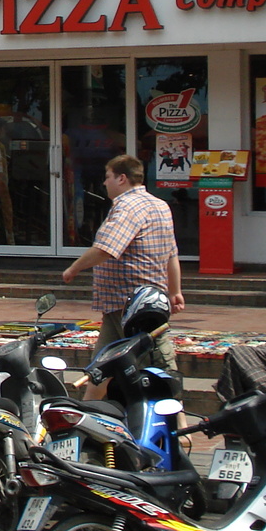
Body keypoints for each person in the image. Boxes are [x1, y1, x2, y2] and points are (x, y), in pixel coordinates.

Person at [61, 154, 183, 394]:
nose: (104, 183)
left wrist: (74, 268)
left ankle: (180, 427)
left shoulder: (128, 207)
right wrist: (175, 291)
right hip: (130, 303)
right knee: (101, 367)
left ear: (122, 178)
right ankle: (89, 416)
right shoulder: (159, 205)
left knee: (159, 369)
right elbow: (172, 255)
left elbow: (106, 249)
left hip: (131, 304)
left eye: (107, 177)